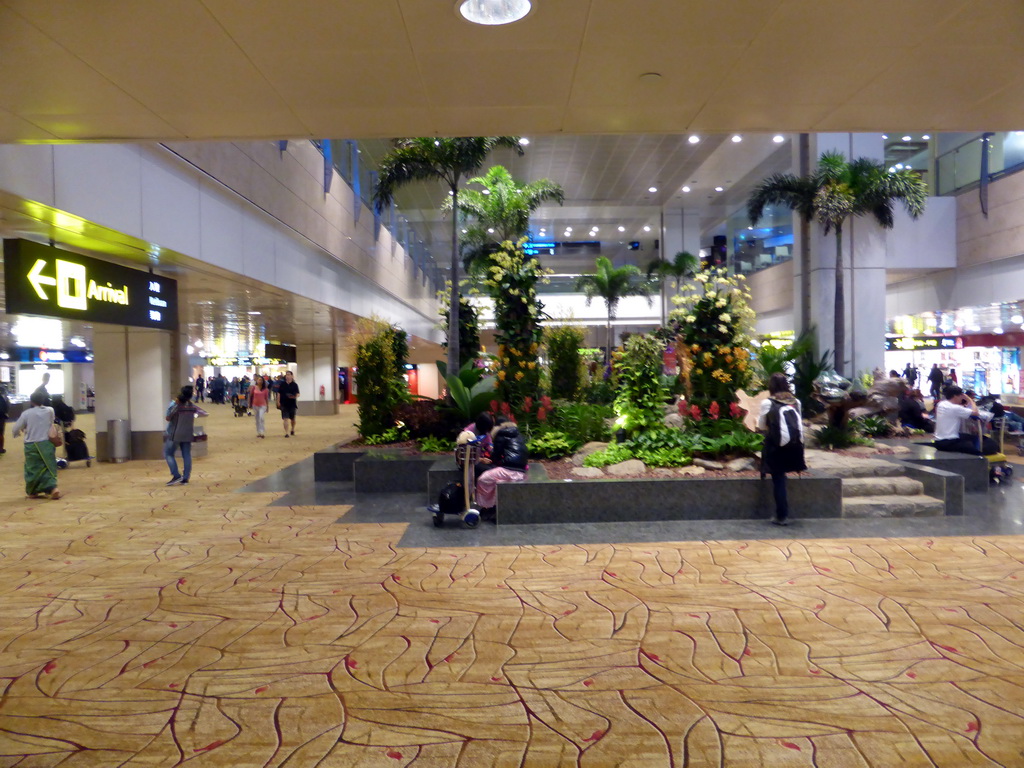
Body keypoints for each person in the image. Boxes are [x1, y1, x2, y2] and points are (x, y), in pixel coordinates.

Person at [758, 373, 806, 526]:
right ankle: (783, 514)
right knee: (782, 477)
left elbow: (761, 426)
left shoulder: (767, 403)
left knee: (778, 480)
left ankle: (782, 516)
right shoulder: (796, 402)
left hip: (776, 446)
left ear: (771, 386)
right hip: (795, 446)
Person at [11, 390, 62, 499]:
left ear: (31, 401)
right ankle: (52, 488)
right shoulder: (50, 410)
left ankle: (33, 491)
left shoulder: (26, 413)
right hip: (47, 444)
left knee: (33, 469)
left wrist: (17, 433)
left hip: (31, 445)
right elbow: (51, 422)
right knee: (48, 466)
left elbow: (15, 428)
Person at [475, 421, 528, 518]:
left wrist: (487, 459)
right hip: (521, 471)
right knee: (494, 480)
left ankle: (487, 506)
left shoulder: (501, 435)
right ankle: (494, 505)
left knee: (483, 479)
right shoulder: (519, 435)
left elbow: (495, 455)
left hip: (509, 470)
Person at [933, 385, 999, 456]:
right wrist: (970, 400)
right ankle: (980, 460)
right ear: (956, 396)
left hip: (939, 441)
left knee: (974, 438)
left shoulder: (941, 404)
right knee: (976, 452)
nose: (962, 398)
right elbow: (976, 412)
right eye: (961, 395)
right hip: (949, 442)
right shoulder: (955, 408)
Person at [164, 385, 208, 485]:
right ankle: (186, 477)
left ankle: (176, 475)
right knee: (186, 455)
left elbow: (168, 417)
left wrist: (174, 403)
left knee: (168, 453)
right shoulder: (192, 406)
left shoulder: (176, 405)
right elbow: (203, 413)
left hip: (175, 433)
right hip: (188, 433)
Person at [277, 370, 300, 437]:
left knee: (293, 419)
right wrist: (278, 401)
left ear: (292, 376)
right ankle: (287, 433)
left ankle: (292, 429)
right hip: (284, 403)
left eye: (289, 375)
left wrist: (294, 396)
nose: (288, 376)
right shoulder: (282, 384)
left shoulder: (295, 385)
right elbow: (279, 393)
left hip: (292, 404)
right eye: (287, 375)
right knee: (285, 418)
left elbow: (298, 394)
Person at [247, 374, 271, 438]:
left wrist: (267, 406)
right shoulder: (254, 388)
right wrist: (249, 404)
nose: (260, 381)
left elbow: (266, 398)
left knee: (261, 418)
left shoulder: (265, 389)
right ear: (257, 381)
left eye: (261, 380)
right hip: (255, 405)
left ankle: (262, 431)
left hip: (263, 405)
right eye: (259, 380)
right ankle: (258, 432)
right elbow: (251, 396)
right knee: (257, 419)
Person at [0, 383, 9, 455]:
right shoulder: (3, 391)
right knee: (0, 433)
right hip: (1, 416)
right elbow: (7, 404)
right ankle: (1, 449)